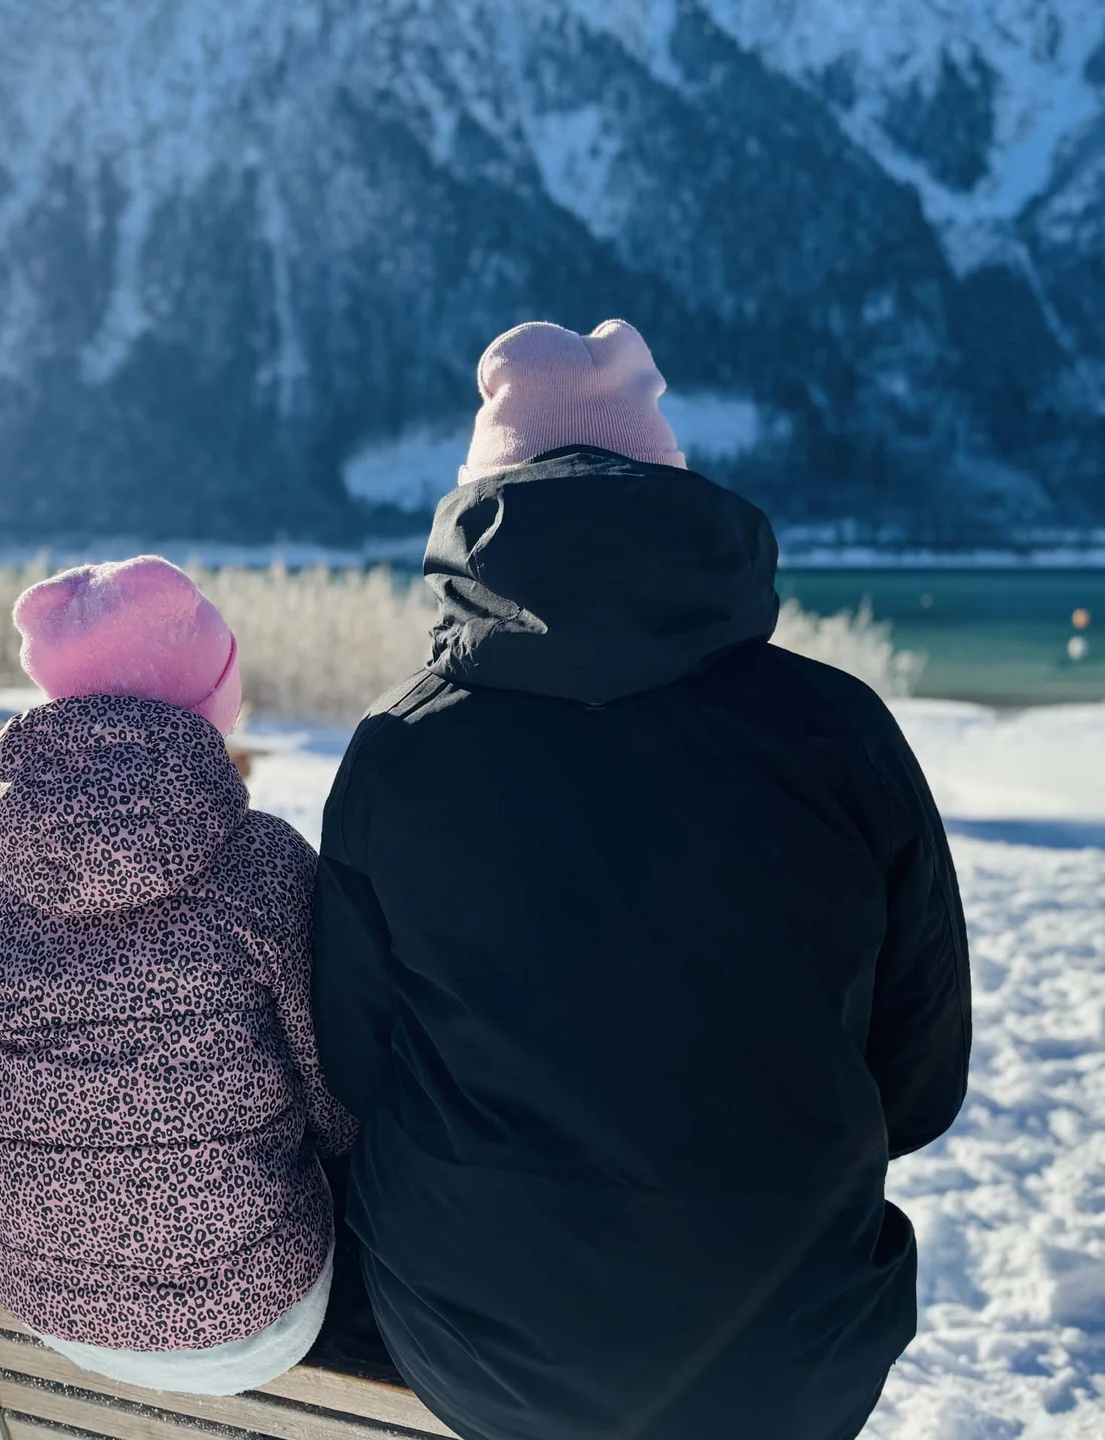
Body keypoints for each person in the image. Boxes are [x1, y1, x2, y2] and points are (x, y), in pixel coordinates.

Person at [312, 320, 971, 1440]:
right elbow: (917, 1083)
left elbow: (357, 1068)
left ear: (478, 516)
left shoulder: (402, 750)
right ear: (676, 497)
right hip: (791, 1350)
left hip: (479, 1352)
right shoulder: (839, 734)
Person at [0, 555, 357, 1395]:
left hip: (48, 1305)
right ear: (211, 701)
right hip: (255, 1318)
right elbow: (334, 1089)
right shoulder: (264, 865)